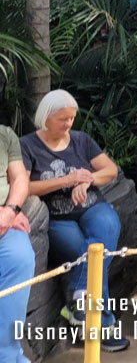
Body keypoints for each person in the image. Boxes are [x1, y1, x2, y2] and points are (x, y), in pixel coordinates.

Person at [19, 90, 129, 352]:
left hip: (92, 206)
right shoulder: (27, 146)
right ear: (45, 117)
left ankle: (79, 304)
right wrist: (67, 180)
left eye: (71, 119)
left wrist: (87, 179)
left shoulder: (81, 140)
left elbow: (110, 170)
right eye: (62, 119)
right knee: (88, 251)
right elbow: (25, 186)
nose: (69, 124)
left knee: (107, 227)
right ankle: (104, 325)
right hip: (57, 218)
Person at [1, 122, 32, 363]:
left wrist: (11, 210)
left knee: (20, 257)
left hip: (6, 223)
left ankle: (8, 355)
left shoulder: (4, 134)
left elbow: (20, 177)